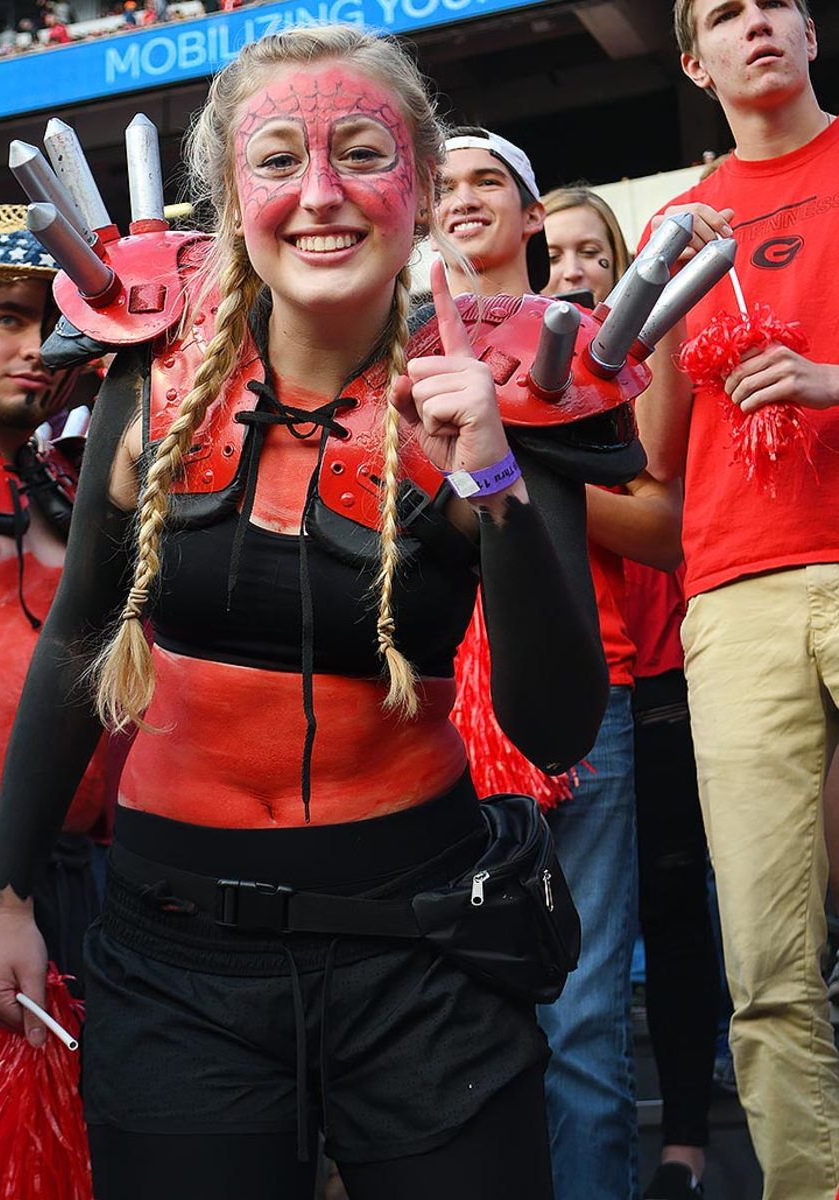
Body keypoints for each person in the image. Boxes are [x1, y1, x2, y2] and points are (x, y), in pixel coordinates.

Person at [0, 27, 612, 1200]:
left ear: (415, 185)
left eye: (360, 152)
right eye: (277, 160)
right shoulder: (149, 378)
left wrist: (494, 484)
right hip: (175, 965)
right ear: (231, 200)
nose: (320, 195)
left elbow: (557, 728)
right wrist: (7, 901)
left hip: (426, 958)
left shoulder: (508, 389)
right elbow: (79, 638)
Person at [438, 139, 681, 1200]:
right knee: (446, 1019)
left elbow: (667, 529)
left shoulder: (590, 346)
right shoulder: (387, 342)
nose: (462, 201)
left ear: (532, 218)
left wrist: (525, 466)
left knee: (579, 1019)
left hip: (587, 710)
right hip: (435, 710)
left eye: (486, 181)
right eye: (440, 186)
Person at [637, 3, 839, 1197]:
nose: (753, 22)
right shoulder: (673, 221)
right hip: (734, 592)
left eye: (774, 3)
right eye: (723, 13)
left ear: (810, 35)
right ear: (693, 62)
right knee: (763, 961)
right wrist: (659, 291)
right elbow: (659, 452)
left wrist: (828, 380)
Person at [544, 184, 721, 1200]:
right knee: (583, 944)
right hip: (598, 664)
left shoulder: (652, 350)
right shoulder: (539, 363)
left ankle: (686, 1140)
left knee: (670, 898)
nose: (573, 268)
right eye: (557, 253)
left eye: (591, 253)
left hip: (666, 659)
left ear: (620, 263)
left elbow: (659, 498)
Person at [0, 204, 106, 986]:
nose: (35, 349)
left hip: (76, 873)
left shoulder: (71, 477)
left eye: (55, 326)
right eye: (7, 318)